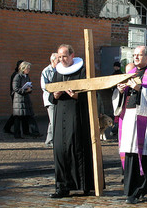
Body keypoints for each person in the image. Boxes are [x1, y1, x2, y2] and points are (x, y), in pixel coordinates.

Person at [112, 46, 147, 204]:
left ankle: (137, 190)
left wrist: (140, 89)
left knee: (141, 155)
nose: (136, 57)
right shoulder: (129, 73)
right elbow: (119, 97)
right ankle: (131, 188)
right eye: (134, 55)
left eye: (139, 55)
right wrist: (120, 91)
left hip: (144, 118)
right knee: (130, 153)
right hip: (128, 117)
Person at [49, 44, 96, 198]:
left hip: (76, 115)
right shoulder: (57, 71)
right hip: (59, 115)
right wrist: (54, 96)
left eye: (64, 56)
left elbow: (91, 95)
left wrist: (77, 96)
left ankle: (84, 185)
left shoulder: (82, 70)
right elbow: (50, 93)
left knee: (77, 148)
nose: (61, 59)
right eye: (59, 56)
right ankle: (62, 186)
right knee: (60, 150)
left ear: (72, 55)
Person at [12, 61, 41, 139]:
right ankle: (17, 134)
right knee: (18, 117)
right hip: (19, 100)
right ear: (23, 68)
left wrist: (29, 89)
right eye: (28, 68)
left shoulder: (26, 76)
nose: (29, 69)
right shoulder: (18, 76)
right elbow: (15, 88)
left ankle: (35, 132)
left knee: (30, 116)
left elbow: (29, 87)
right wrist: (24, 91)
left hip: (25, 99)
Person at [3, 60, 29, 134]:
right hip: (16, 96)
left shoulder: (24, 75)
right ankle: (8, 128)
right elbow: (15, 87)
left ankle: (24, 131)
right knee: (17, 114)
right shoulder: (16, 75)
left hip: (21, 95)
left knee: (20, 113)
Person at [40, 53, 58, 147]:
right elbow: (44, 86)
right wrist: (55, 89)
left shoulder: (59, 70)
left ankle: (51, 140)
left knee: (54, 120)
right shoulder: (46, 71)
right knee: (53, 120)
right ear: (52, 61)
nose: (59, 62)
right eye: (58, 60)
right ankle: (51, 140)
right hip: (50, 100)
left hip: (58, 98)